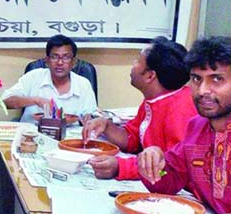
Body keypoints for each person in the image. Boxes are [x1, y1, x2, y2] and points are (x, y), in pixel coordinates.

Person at [138, 36, 231, 214]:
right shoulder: (197, 128)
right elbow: (165, 182)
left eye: (217, 79)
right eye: (196, 79)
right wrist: (152, 161)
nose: (203, 90)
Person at [81, 37, 197, 180]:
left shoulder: (182, 109)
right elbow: (133, 139)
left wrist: (120, 167)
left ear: (150, 76)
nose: (133, 64)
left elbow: (174, 167)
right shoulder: (155, 99)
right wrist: (107, 126)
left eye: (137, 60)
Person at [2, 34, 97, 123]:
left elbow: (92, 115)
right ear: (47, 60)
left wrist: (90, 118)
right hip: (32, 133)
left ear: (74, 62)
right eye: (54, 57)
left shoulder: (83, 83)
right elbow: (5, 102)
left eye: (66, 57)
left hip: (71, 135)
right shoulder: (34, 76)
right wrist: (36, 100)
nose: (60, 62)